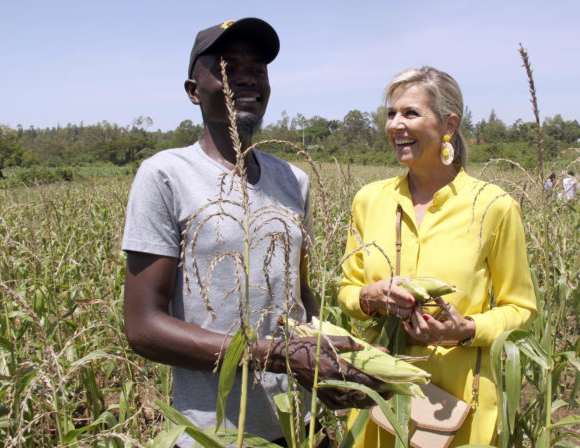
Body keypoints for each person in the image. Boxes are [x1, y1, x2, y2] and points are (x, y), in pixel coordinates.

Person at [122, 18, 386, 447]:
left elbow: (299, 298)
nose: (245, 77)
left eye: (258, 69)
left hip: (295, 425)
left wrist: (327, 372)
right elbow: (143, 327)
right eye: (226, 66)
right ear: (193, 90)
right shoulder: (165, 176)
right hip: (218, 431)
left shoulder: (293, 180)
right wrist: (277, 358)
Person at [337, 67, 537, 446]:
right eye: (391, 114)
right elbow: (347, 289)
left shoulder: (493, 206)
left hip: (458, 403)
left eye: (410, 114)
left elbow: (522, 310)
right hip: (381, 391)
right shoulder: (369, 200)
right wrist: (370, 296)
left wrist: (464, 331)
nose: (396, 124)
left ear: (449, 124)